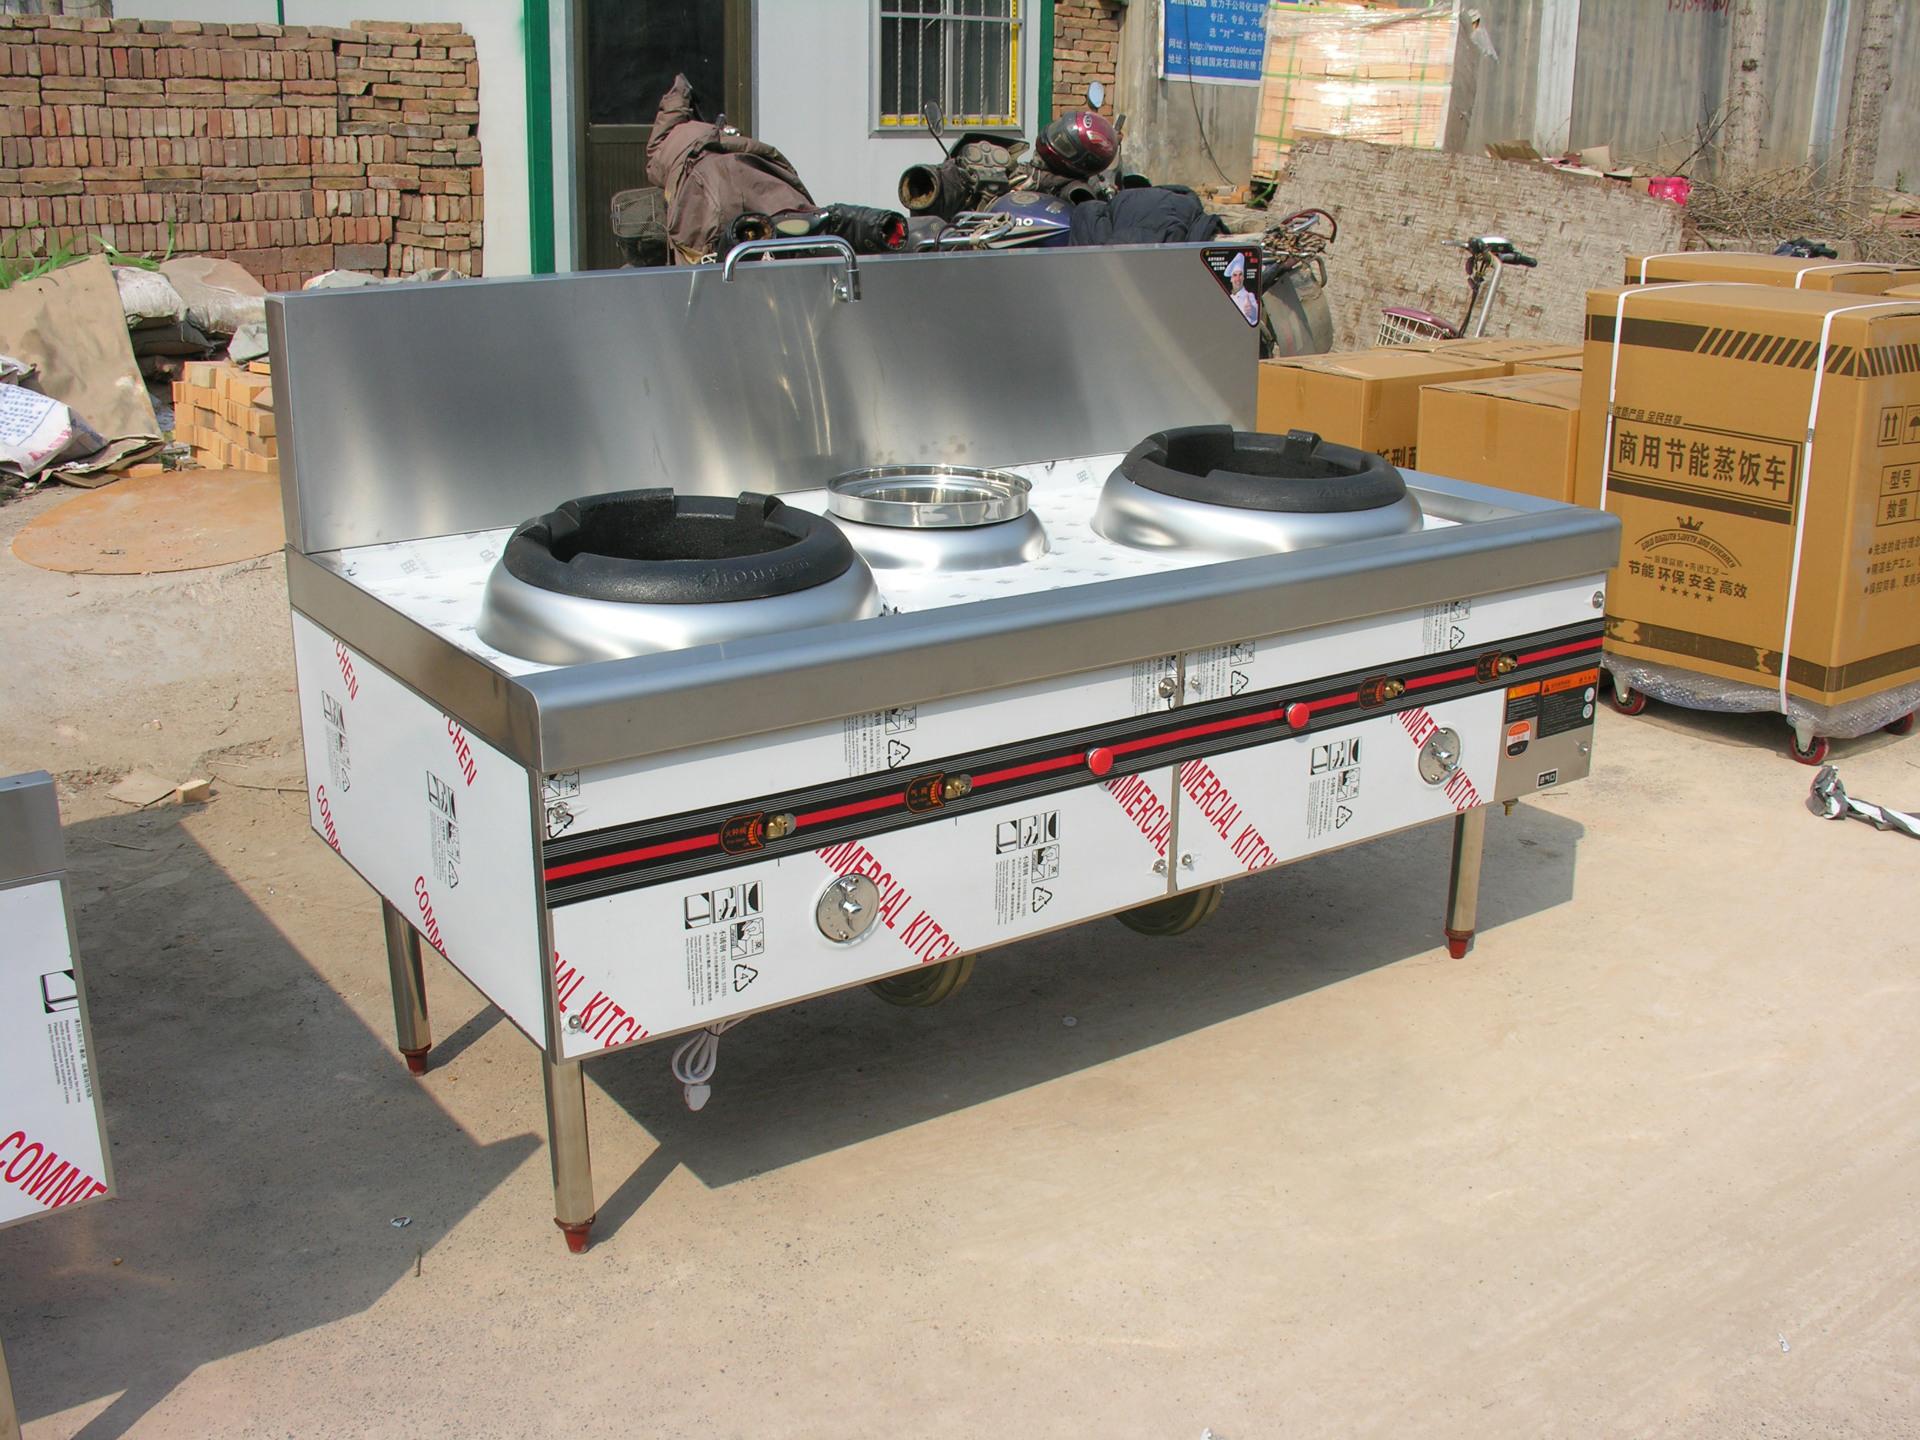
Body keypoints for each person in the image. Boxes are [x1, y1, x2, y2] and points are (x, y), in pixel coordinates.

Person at [1226, 252, 1260, 325]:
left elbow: (1256, 316)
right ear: (1231, 279)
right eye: (1235, 275)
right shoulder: (1229, 298)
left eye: (1240, 275)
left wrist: (1251, 310)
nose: (1238, 279)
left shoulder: (1249, 296)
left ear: (1243, 277)